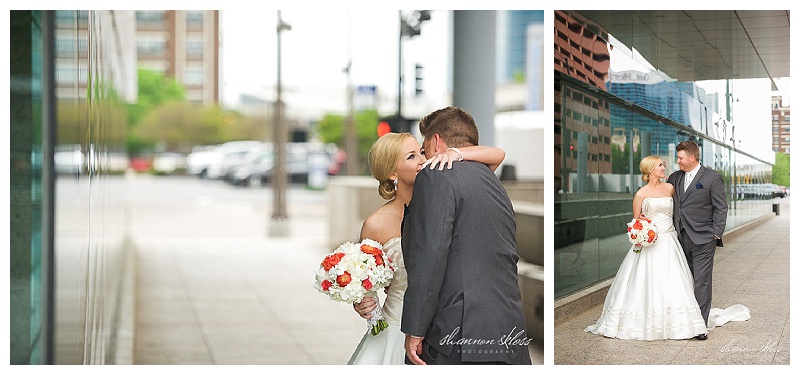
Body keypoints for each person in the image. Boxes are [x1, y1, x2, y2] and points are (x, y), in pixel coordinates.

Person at [347, 131, 505, 365]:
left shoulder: (445, 193)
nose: (422, 160)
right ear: (392, 172)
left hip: (445, 324)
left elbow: (497, 155)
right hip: (396, 326)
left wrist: (455, 153)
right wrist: (362, 302)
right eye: (411, 157)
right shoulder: (375, 224)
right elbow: (365, 282)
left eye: (421, 151)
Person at [400, 106, 532, 365]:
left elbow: (431, 257)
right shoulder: (490, 178)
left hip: (458, 333)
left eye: (424, 147)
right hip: (507, 328)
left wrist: (415, 328)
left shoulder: (435, 174)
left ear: (436, 141)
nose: (424, 155)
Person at [585, 156, 709, 340]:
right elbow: (636, 222)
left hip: (670, 241)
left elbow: (682, 210)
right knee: (646, 281)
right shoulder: (641, 194)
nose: (663, 166)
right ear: (651, 170)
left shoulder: (670, 188)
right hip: (650, 243)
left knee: (673, 281)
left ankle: (681, 323)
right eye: (660, 165)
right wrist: (643, 232)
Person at [666, 140, 728, 340]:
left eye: (681, 158)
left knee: (701, 281)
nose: (678, 161)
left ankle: (700, 326)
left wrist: (715, 233)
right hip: (679, 238)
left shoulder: (712, 177)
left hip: (703, 239)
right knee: (684, 280)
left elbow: (721, 207)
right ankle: (684, 321)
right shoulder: (675, 177)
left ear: (692, 157)